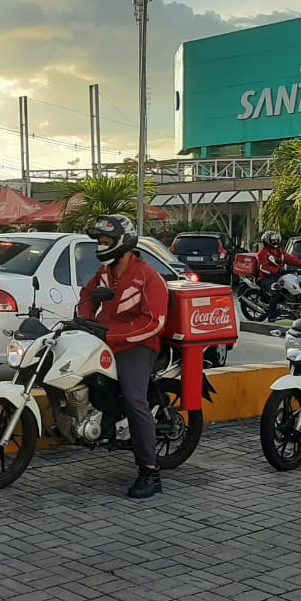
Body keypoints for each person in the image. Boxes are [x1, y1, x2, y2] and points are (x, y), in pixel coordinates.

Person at [78, 214, 170, 499]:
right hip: (105, 340)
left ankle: (150, 472)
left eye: (106, 241)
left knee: (134, 399)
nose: (101, 246)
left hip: (138, 345)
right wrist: (84, 321)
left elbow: (154, 322)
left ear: (123, 243)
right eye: (100, 241)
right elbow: (87, 295)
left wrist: (115, 336)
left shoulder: (148, 277)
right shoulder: (105, 272)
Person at [256, 231, 301, 321]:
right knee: (275, 292)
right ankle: (271, 316)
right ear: (267, 241)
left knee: (289, 289)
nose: (275, 241)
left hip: (278, 276)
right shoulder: (263, 252)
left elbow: (290, 258)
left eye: (276, 239)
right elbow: (263, 267)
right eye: (272, 240)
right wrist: (278, 270)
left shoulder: (279, 251)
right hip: (265, 278)